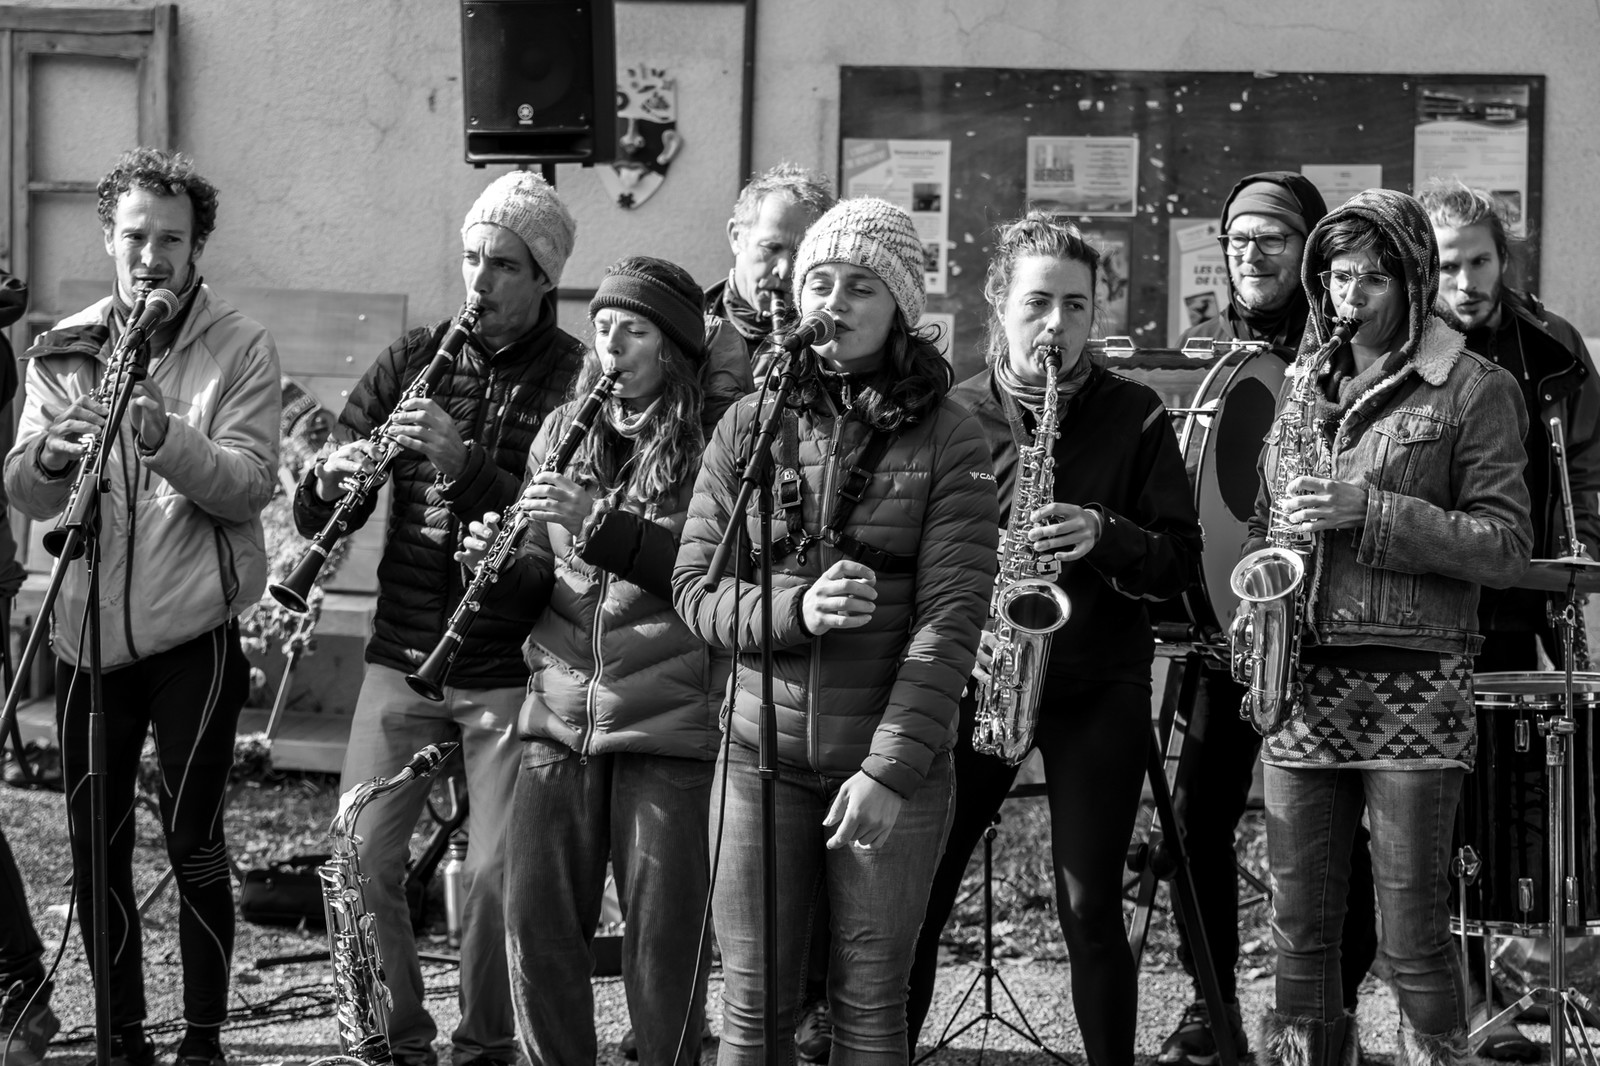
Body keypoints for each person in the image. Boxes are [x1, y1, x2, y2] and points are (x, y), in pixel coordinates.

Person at [674, 197, 1000, 1064]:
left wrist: (890, 772)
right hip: (757, 760)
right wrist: (793, 611)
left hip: (889, 768)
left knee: (866, 1006)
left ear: (900, 306)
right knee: (750, 1007)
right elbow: (694, 591)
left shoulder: (950, 432)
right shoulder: (750, 422)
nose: (838, 300)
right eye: (821, 281)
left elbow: (951, 620)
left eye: (862, 285)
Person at [292, 170, 584, 1066]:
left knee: (500, 876)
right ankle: (392, 1040)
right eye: (471, 258)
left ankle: (485, 1044)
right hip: (404, 649)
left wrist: (462, 466)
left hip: (511, 664)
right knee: (358, 856)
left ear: (543, 277)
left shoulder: (577, 377)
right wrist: (326, 484)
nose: (481, 282)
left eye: (503, 264)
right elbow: (320, 503)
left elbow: (555, 522)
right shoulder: (418, 356)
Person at [906, 211, 1205, 1065]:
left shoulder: (1135, 415)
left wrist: (1105, 534)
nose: (1057, 327)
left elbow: (1180, 563)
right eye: (1038, 304)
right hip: (978, 679)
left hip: (1095, 684)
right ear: (998, 305)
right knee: (922, 898)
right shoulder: (952, 413)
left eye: (1077, 307)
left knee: (1088, 906)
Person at [5, 146, 281, 1066]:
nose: (150, 255)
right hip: (86, 636)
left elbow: (247, 486)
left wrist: (165, 435)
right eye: (135, 236)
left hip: (191, 635)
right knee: (94, 851)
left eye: (171, 238)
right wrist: (51, 458)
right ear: (109, 239)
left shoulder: (239, 345)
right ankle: (124, 1039)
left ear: (198, 248)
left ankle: (203, 1039)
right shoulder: (64, 346)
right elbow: (24, 487)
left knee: (194, 838)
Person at [1250, 188, 1532, 1066]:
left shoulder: (1477, 387)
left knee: (1413, 938)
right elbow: (1271, 520)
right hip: (1302, 683)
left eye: (1373, 278)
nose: (1351, 298)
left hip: (1415, 686)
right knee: (1298, 935)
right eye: (1336, 278)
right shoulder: (1300, 381)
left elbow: (1507, 545)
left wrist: (1370, 511)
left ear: (1413, 279)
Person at [456, 256, 724, 1066]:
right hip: (560, 716)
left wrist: (599, 522)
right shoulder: (561, 431)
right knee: (533, 924)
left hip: (668, 724)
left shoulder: (715, 443)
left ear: (671, 348)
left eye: (633, 331)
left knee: (663, 945)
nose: (611, 345)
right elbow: (543, 577)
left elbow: (705, 575)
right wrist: (497, 569)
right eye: (602, 328)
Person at [1164, 173, 1380, 1066]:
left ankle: (1332, 1004)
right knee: (1193, 821)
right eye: (1239, 237)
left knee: (1342, 833)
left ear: (1311, 249)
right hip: (1232, 630)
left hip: (1327, 632)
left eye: (1275, 238)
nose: (1252, 253)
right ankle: (1209, 1005)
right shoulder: (1203, 343)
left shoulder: (1355, 342)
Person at [1418, 177, 1600, 1060]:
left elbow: (1591, 467)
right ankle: (1466, 997)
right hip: (1429, 604)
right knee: (1441, 804)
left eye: (1479, 260)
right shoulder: (1404, 346)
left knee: (1526, 797)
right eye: (1447, 264)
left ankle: (1542, 973)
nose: (1464, 281)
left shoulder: (1553, 347)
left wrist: (1584, 553)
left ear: (1504, 259)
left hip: (1528, 593)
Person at [705, 162, 835, 369]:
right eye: (771, 248)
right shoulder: (689, 329)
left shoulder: (828, 341)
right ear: (736, 237)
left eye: (801, 254)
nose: (784, 271)